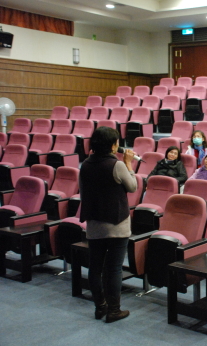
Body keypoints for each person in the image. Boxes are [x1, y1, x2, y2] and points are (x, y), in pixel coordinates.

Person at [79, 126, 137, 323]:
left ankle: (99, 307)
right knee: (113, 269)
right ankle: (114, 310)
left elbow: (83, 191)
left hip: (94, 223)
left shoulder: (85, 164)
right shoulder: (117, 165)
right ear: (113, 145)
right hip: (116, 225)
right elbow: (133, 186)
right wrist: (129, 164)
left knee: (95, 268)